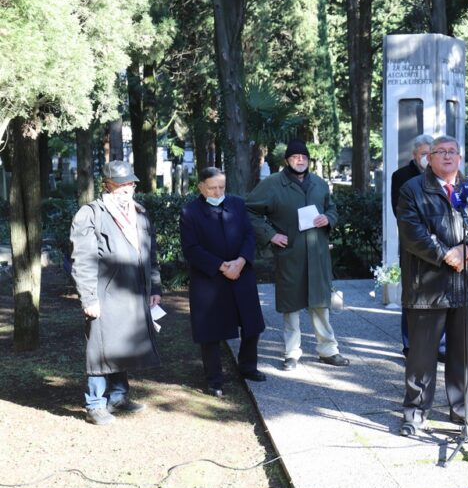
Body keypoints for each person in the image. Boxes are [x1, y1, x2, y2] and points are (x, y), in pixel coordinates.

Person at [395, 135, 468, 436]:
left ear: (460, 157)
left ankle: (462, 410)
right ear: (429, 158)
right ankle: (414, 414)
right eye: (441, 152)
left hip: (464, 284)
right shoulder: (412, 189)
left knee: (463, 354)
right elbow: (411, 231)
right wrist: (444, 254)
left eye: (453, 152)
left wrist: (467, 249)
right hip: (427, 287)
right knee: (421, 356)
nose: (448, 156)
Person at [70, 161, 161, 425]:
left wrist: (154, 286)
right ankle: (95, 404)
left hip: (133, 292)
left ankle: (119, 396)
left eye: (130, 183)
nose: (127, 189)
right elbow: (83, 259)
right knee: (100, 347)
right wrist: (89, 298)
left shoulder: (139, 213)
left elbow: (150, 253)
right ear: (107, 185)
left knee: (120, 344)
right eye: (121, 185)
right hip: (103, 293)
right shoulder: (91, 214)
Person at [246, 139, 350, 369]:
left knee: (320, 304)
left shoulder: (320, 184)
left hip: (318, 253)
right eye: (295, 157)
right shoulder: (273, 184)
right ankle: (292, 353)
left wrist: (329, 219)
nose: (300, 160)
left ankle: (328, 350)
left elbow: (331, 207)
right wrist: (271, 234)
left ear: (308, 160)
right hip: (290, 253)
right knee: (290, 305)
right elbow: (250, 210)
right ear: (287, 161)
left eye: (304, 157)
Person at [180, 167, 267, 398]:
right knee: (211, 331)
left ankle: (248, 367)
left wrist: (240, 261)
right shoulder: (190, 211)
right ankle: (214, 379)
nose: (218, 192)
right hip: (210, 278)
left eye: (222, 187)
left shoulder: (237, 204)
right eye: (212, 188)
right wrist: (221, 266)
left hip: (241, 273)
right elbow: (191, 248)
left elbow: (249, 235)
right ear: (201, 187)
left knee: (251, 323)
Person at [390, 134, 445, 361]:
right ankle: (410, 347)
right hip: (413, 246)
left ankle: (441, 347)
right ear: (415, 155)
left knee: (441, 294)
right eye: (423, 154)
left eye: (430, 154)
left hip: (441, 246)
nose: (427, 158)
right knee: (412, 296)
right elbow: (399, 211)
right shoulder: (401, 176)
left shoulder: (440, 175)